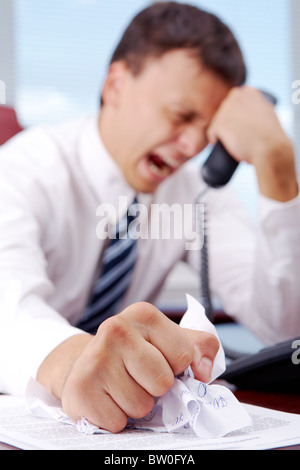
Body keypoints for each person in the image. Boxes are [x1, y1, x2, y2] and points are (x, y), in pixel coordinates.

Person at [0, 2, 299, 433]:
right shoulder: (23, 169)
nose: (193, 144)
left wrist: (277, 165)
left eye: (209, 129)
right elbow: (9, 304)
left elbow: (283, 326)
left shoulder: (199, 193)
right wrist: (78, 363)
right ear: (116, 84)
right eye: (182, 116)